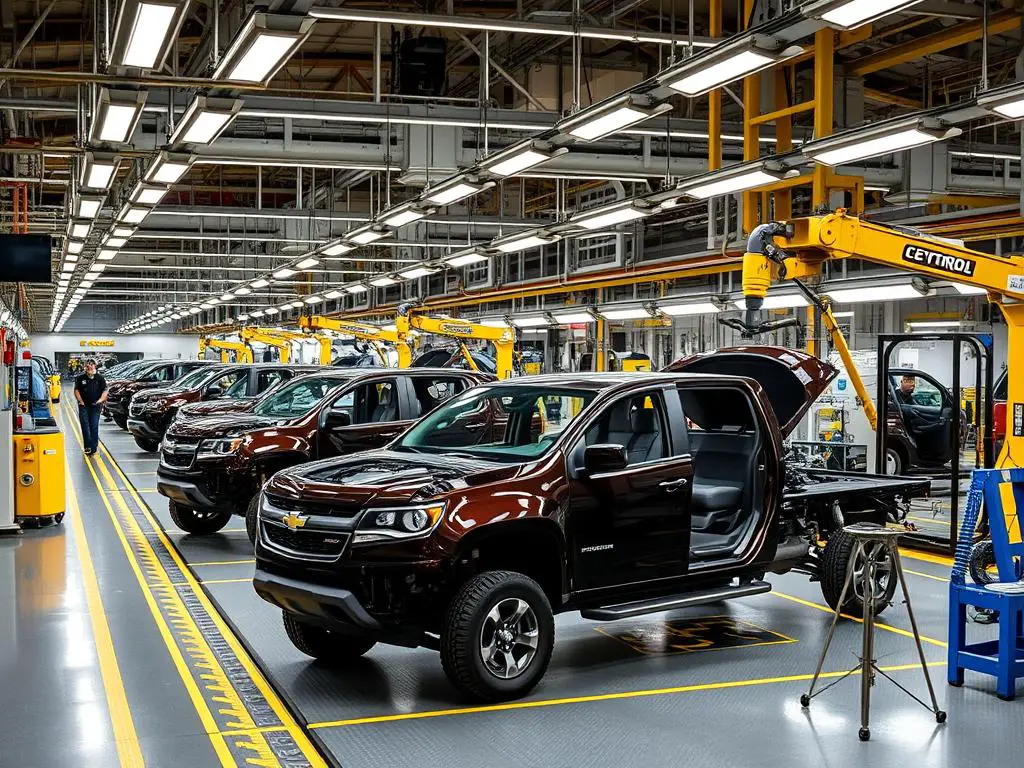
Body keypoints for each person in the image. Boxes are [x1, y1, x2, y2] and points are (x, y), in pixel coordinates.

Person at [74, 359, 108, 456]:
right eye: (88, 365)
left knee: (93, 426)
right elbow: (77, 390)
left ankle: (94, 447)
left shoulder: (100, 378)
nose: (90, 367)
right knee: (85, 426)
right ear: (85, 367)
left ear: (95, 366)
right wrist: (80, 401)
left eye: (92, 365)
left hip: (95, 406)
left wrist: (100, 401)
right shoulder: (80, 378)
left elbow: (105, 391)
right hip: (83, 406)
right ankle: (87, 446)